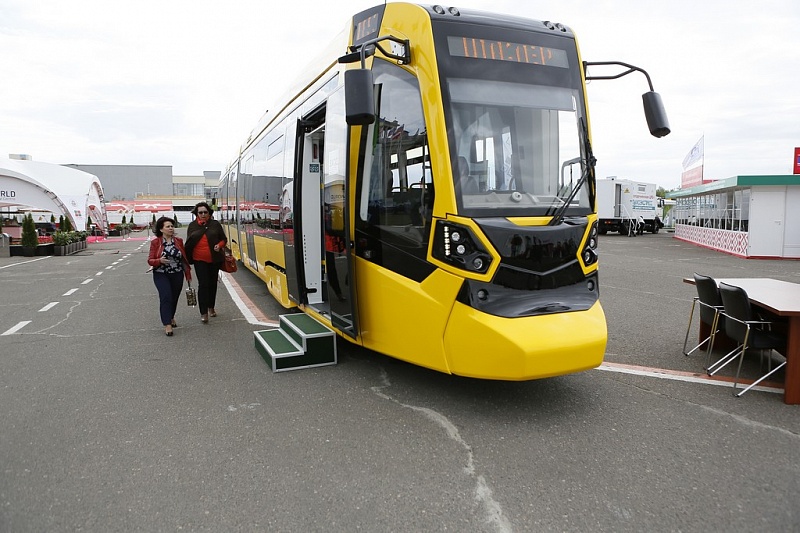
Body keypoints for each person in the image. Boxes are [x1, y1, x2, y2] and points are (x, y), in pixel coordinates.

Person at [147, 216, 191, 336]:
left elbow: (184, 258)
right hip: (161, 274)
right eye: (168, 226)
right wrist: (159, 261)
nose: (171, 228)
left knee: (174, 297)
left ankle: (171, 316)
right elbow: (150, 260)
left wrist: (187, 271)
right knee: (166, 296)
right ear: (161, 229)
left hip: (177, 273)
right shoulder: (155, 242)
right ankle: (167, 324)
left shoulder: (179, 241)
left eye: (172, 226)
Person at [185, 201, 227, 323]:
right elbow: (189, 243)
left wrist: (219, 245)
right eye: (200, 212)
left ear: (209, 213)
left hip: (214, 259)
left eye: (205, 212)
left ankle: (211, 307)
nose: (203, 214)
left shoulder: (215, 224)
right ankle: (203, 312)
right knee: (203, 285)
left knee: (212, 284)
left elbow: (223, 239)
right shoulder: (192, 226)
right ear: (196, 214)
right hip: (199, 260)